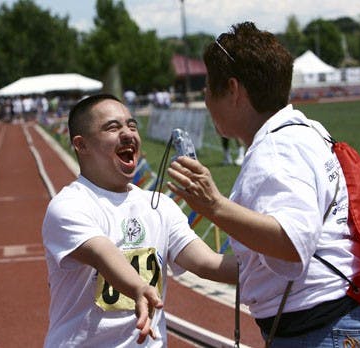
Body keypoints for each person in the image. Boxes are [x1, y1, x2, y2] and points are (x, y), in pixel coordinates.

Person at [167, 22, 360, 347]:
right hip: (333, 323)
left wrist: (213, 205)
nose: (204, 98)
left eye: (208, 86)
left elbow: (291, 245)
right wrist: (198, 260)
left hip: (318, 331)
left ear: (233, 90)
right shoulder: (306, 130)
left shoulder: (275, 150)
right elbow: (271, 263)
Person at [42, 94, 237, 347]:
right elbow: (103, 254)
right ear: (81, 145)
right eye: (113, 127)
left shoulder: (160, 205)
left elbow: (207, 263)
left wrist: (275, 264)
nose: (127, 133)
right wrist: (138, 288)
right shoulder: (68, 206)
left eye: (132, 126)